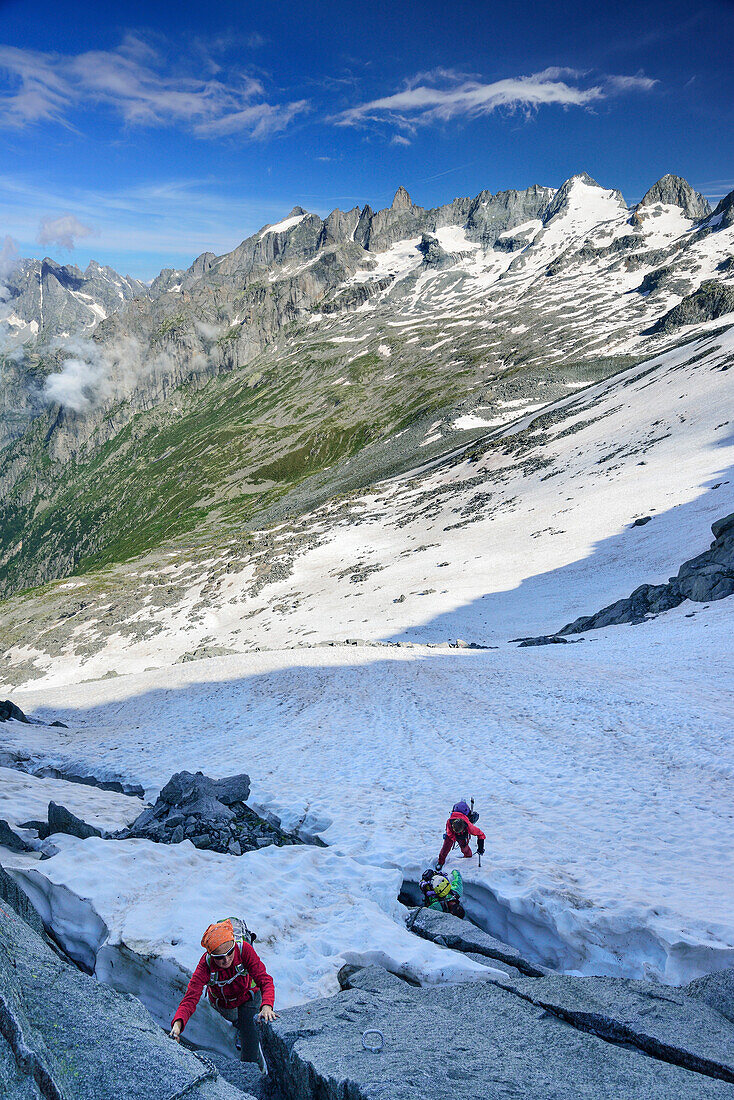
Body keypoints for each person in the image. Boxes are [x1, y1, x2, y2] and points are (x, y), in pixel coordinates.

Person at [170, 918, 277, 1066]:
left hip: (249, 997)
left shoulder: (244, 950)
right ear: (211, 955)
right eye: (219, 957)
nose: (226, 960)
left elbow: (265, 980)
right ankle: (241, 1027)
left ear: (234, 945)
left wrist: (266, 1006)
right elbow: (190, 999)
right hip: (224, 1004)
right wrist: (178, 1024)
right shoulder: (205, 966)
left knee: (250, 1052)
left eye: (229, 953)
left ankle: (257, 1072)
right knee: (237, 1020)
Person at [437, 800, 485, 869]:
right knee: (445, 848)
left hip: (462, 835)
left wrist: (480, 847)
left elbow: (481, 834)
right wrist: (454, 838)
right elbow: (450, 833)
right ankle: (440, 862)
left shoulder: (469, 826)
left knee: (465, 848)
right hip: (451, 835)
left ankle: (468, 860)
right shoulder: (449, 822)